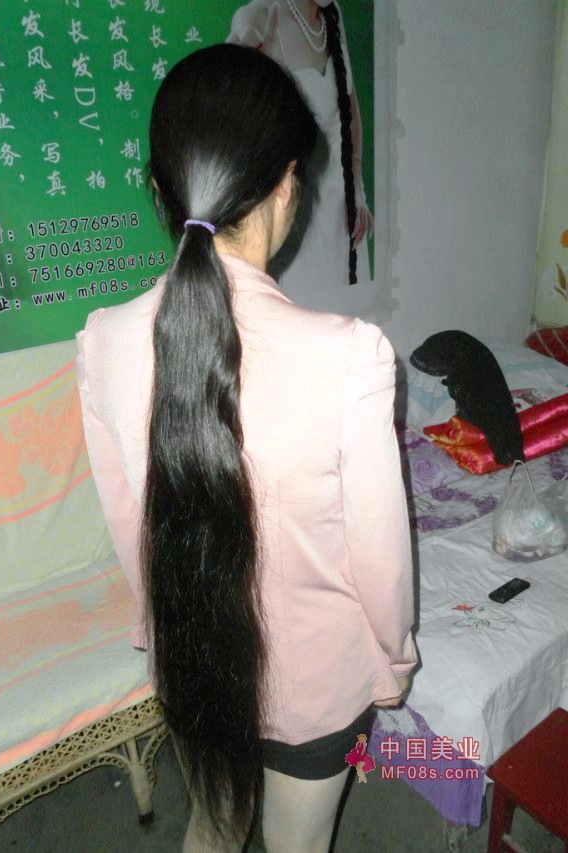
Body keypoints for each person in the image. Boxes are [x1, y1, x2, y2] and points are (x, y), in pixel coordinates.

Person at [77, 43, 417, 853]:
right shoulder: (350, 355)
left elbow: (132, 529)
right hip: (315, 687)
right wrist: (394, 663)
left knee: (212, 826)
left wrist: (156, 629)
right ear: (287, 186)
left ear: (158, 189)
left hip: (190, 665)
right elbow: (381, 559)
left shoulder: (101, 341)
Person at [228, 0, 374, 297]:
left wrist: (358, 191)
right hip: (294, 207)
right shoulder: (259, 16)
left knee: (349, 305)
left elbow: (350, 111)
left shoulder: (332, 15)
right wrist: (242, 57)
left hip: (341, 204)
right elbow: (225, 105)